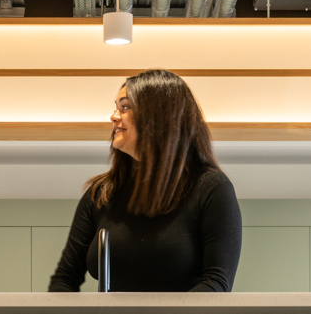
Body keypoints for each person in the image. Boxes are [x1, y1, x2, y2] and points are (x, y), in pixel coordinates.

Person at [49, 69, 242, 293]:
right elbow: (64, 278)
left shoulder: (212, 189)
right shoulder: (101, 193)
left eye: (125, 107)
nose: (113, 116)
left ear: (158, 117)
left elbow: (217, 284)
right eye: (115, 107)